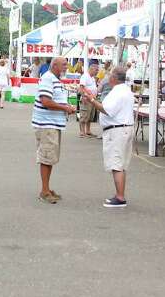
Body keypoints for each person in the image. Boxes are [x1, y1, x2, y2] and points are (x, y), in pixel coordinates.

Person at [79, 66, 135, 208]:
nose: (108, 77)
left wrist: (92, 100)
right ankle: (120, 194)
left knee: (116, 163)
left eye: (110, 75)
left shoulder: (117, 92)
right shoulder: (126, 90)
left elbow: (107, 110)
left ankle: (120, 197)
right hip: (124, 128)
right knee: (120, 164)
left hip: (117, 130)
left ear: (114, 78)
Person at [32, 57, 78, 204]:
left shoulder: (54, 79)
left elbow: (53, 100)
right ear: (55, 65)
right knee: (46, 158)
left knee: (49, 158)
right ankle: (44, 191)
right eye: (64, 64)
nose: (66, 67)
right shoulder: (48, 78)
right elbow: (46, 101)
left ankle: (46, 189)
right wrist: (65, 108)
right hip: (47, 124)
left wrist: (66, 107)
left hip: (52, 124)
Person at [77, 62, 100, 139]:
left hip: (91, 99)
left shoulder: (92, 78)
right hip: (86, 99)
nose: (97, 71)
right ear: (91, 69)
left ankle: (88, 131)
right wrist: (83, 96)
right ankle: (82, 132)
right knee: (84, 115)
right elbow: (81, 88)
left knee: (90, 116)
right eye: (96, 70)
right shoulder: (85, 76)